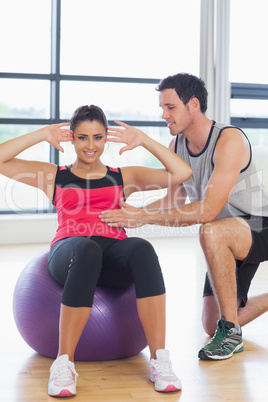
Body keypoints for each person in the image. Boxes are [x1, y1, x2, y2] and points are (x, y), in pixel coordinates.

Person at [0, 104, 193, 397]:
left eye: (98, 137)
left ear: (106, 139)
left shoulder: (122, 176)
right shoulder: (54, 176)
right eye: (83, 138)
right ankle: (63, 364)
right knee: (88, 249)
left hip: (113, 254)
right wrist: (41, 134)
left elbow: (182, 172)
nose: (91, 145)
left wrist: (143, 139)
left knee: (141, 247)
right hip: (70, 251)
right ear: (72, 138)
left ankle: (159, 360)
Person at [100, 73, 268, 361]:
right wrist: (127, 213)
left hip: (258, 225)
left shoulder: (228, 139)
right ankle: (229, 326)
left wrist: (144, 217)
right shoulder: (177, 147)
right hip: (226, 233)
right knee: (210, 323)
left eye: (170, 107)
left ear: (193, 104)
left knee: (210, 230)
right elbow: (172, 200)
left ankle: (232, 335)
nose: (163, 114)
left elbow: (208, 210)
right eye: (162, 107)